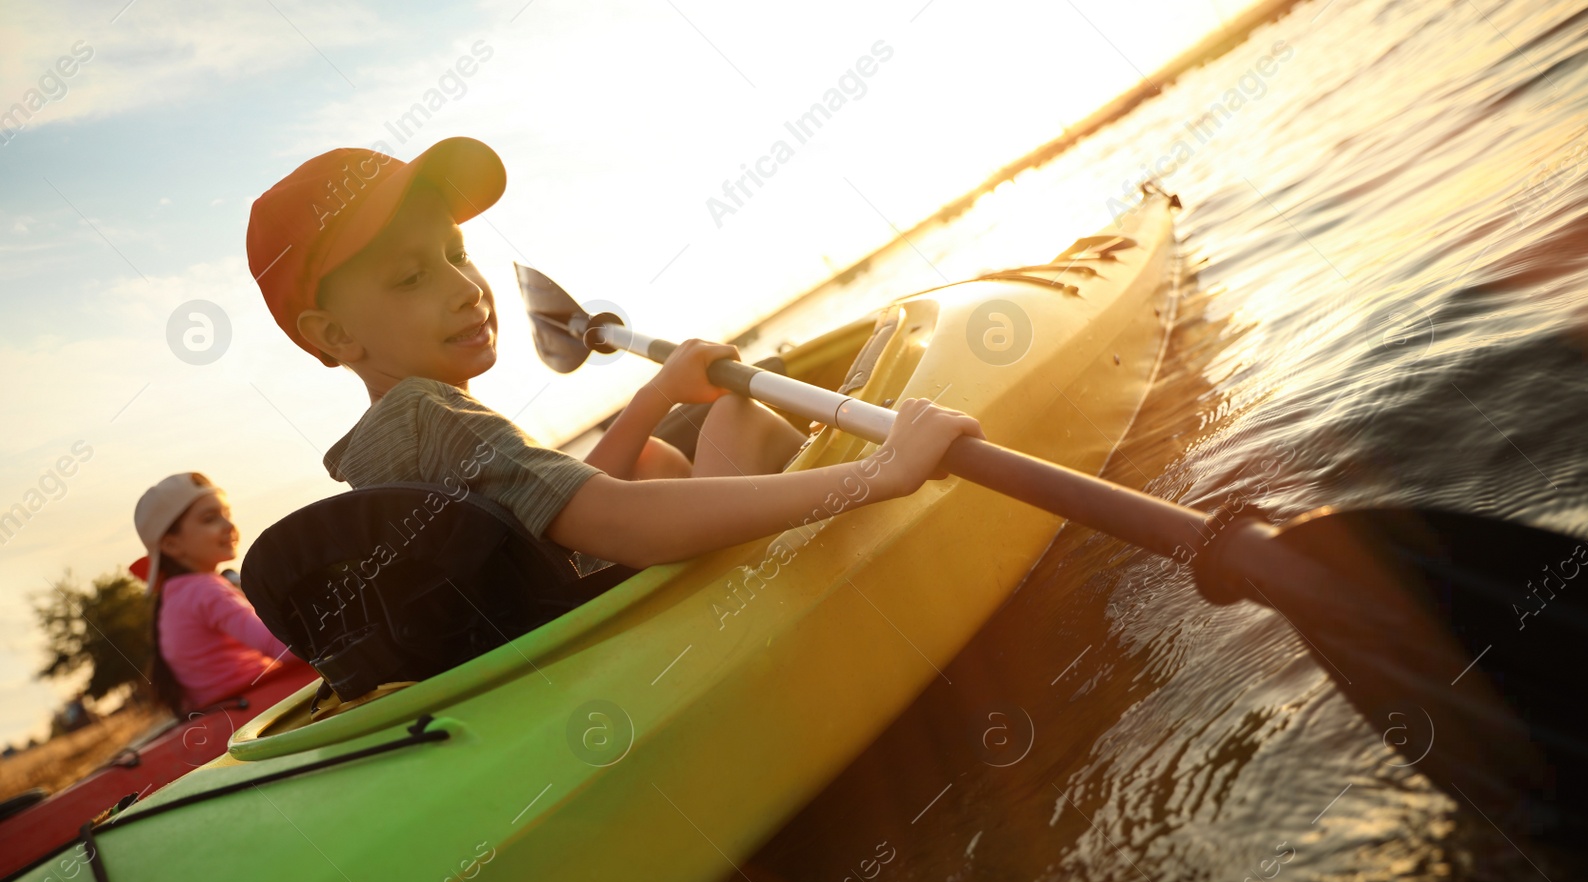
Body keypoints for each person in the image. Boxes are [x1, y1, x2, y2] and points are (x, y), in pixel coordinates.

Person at [245, 137, 982, 574]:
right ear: (335, 336)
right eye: (411, 277)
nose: (466, 289)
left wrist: (657, 393)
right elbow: (618, 523)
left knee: (655, 453)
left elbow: (557, 507)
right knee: (736, 417)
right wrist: (880, 472)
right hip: (660, 617)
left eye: (457, 255)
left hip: (557, 611)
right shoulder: (441, 417)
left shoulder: (381, 447)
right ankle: (892, 548)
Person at [131, 473, 308, 712]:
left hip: (231, 711)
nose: (229, 526)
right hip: (260, 705)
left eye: (227, 514)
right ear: (172, 545)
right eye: (210, 519)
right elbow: (282, 649)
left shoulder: (175, 596)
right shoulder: (205, 590)